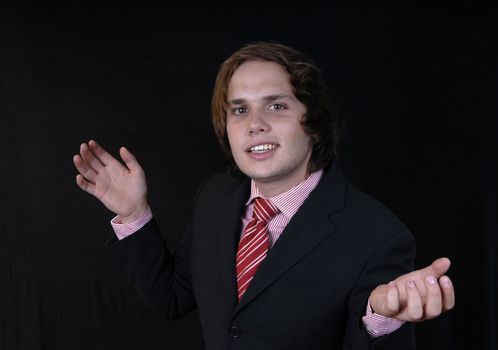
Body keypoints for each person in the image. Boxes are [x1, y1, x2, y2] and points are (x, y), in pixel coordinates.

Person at [73, 42, 454, 349]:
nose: (255, 125)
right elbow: (173, 298)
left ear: (315, 123)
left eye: (276, 105)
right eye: (239, 109)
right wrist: (134, 213)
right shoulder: (215, 197)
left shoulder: (379, 236)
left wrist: (379, 318)